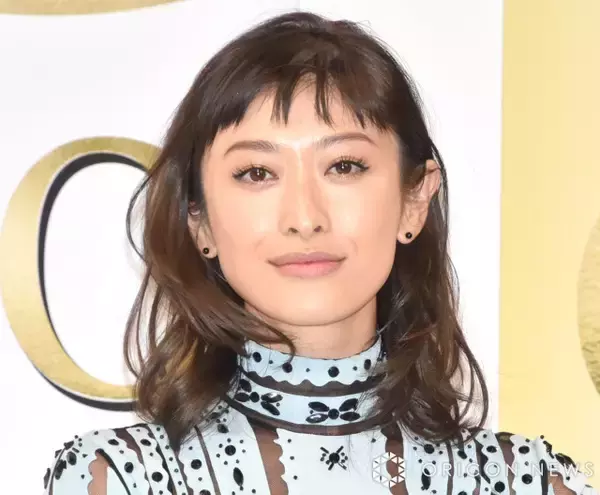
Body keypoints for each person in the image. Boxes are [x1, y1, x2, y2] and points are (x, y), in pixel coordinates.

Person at [43, 11, 597, 495]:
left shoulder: (527, 482)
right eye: (256, 173)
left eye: (344, 166)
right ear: (199, 220)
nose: (305, 217)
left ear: (414, 201)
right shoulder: (119, 479)